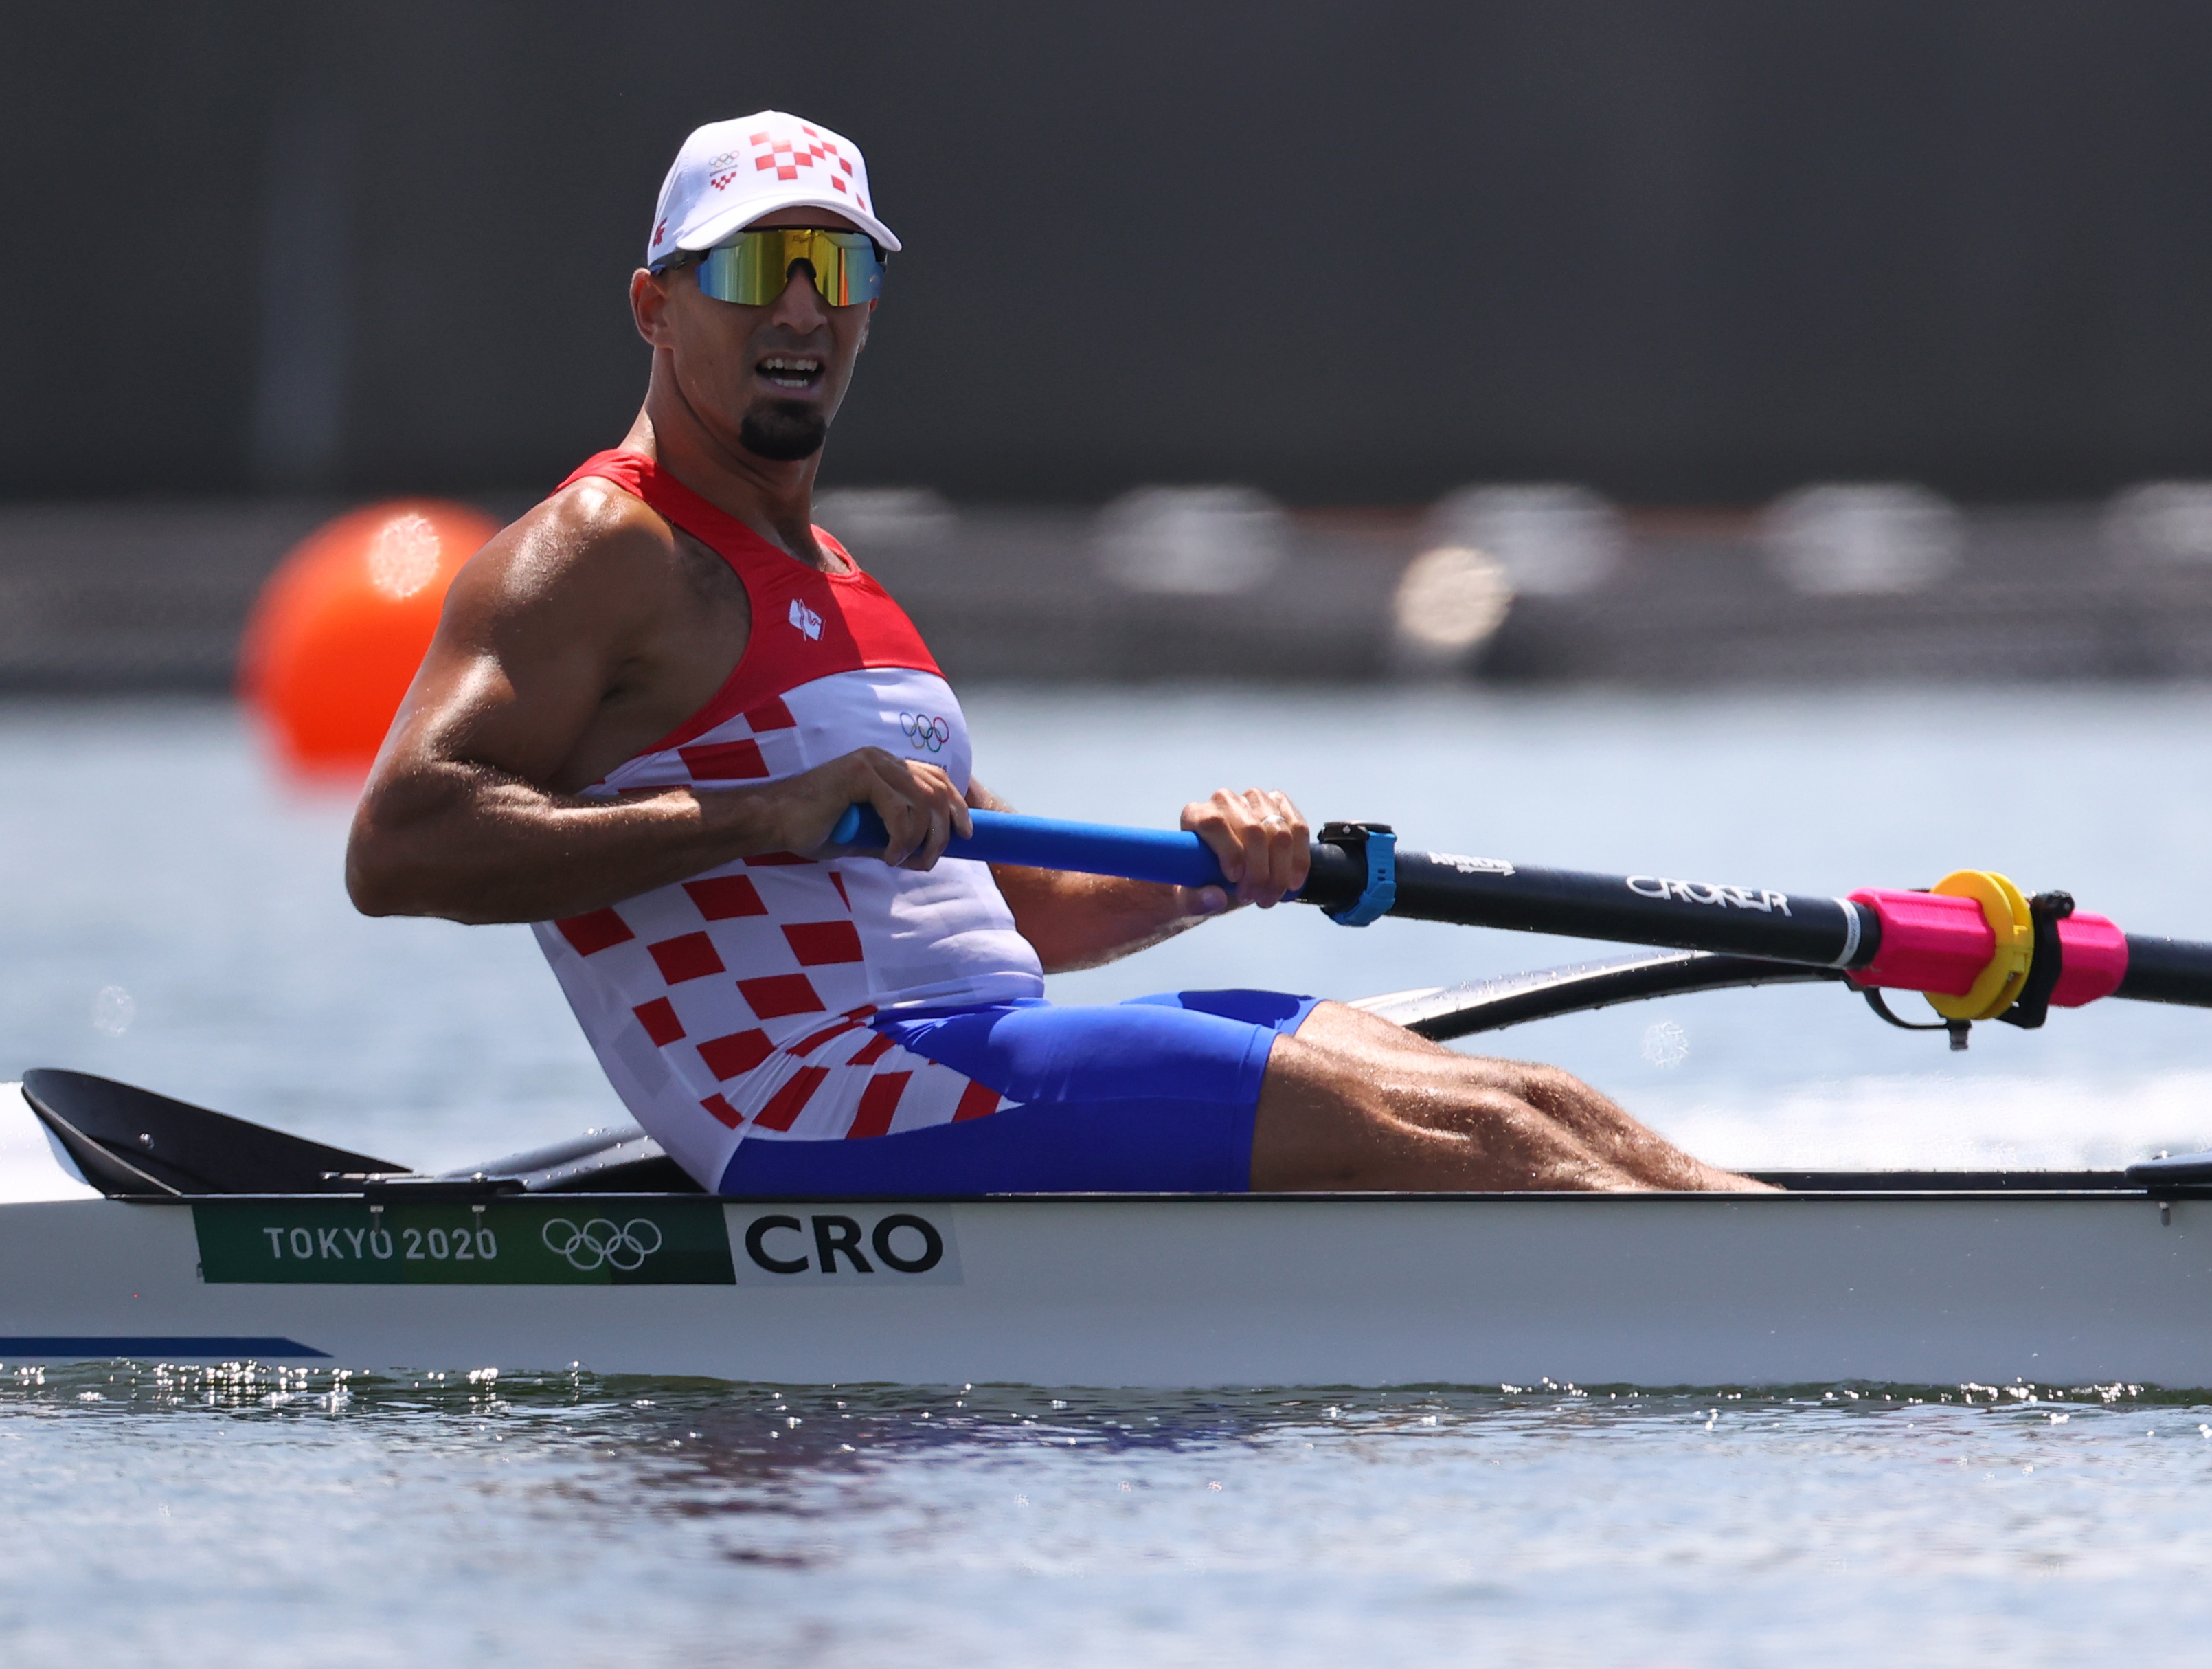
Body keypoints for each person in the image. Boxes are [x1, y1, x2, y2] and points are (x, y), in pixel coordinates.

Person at [346, 110, 1762, 1198]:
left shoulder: (841, 582)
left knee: (1518, 1094)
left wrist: (1208, 873)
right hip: (812, 1097)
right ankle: (1837, 1326)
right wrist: (756, 814)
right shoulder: (601, 547)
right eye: (750, 267)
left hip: (965, 1054)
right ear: (656, 304)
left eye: (834, 265)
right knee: (1453, 1127)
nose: (798, 307)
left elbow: (1017, 904)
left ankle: (1798, 1254)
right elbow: (401, 843)